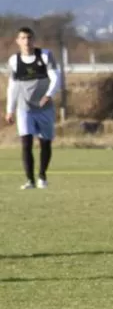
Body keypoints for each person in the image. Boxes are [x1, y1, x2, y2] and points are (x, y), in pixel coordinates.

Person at [5, 27, 60, 190]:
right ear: (18, 41)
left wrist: (49, 95)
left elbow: (56, 77)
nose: (26, 41)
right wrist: (10, 109)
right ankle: (30, 180)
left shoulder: (45, 56)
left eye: (29, 38)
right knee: (26, 141)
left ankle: (42, 176)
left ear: (34, 39)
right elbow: (12, 86)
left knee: (45, 142)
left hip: (45, 108)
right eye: (22, 38)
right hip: (25, 108)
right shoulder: (14, 61)